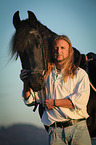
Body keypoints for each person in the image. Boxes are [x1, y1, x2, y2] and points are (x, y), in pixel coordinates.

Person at [20, 35, 92, 145]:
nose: (58, 51)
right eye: (55, 48)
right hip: (55, 132)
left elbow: (80, 102)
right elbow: (30, 100)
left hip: (78, 129)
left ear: (69, 51)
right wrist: (26, 83)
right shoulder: (45, 76)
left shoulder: (80, 74)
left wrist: (55, 103)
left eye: (63, 48)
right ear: (51, 51)